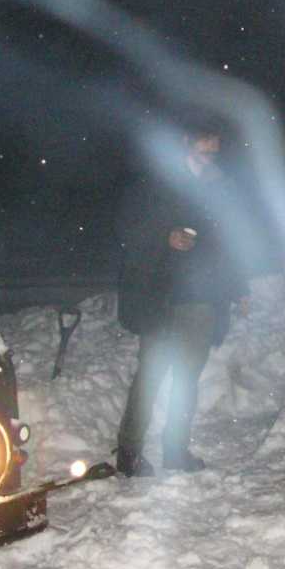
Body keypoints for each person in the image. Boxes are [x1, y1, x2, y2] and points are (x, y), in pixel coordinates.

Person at [114, 118, 249, 477]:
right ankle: (129, 452)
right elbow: (128, 231)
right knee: (150, 376)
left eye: (215, 143)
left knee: (187, 379)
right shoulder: (156, 181)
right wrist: (165, 237)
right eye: (205, 141)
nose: (212, 150)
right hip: (159, 296)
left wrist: (238, 287)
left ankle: (175, 450)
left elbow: (229, 242)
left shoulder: (219, 188)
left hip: (200, 299)